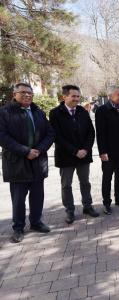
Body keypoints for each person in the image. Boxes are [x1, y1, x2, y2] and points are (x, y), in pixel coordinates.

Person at [0, 83, 54, 243]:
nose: (27, 95)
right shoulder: (4, 113)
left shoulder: (38, 112)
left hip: (38, 161)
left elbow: (50, 133)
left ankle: (36, 222)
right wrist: (26, 151)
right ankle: (18, 228)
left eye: (30, 93)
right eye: (23, 92)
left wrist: (39, 149)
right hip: (17, 163)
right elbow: (3, 137)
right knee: (18, 198)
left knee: (38, 196)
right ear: (14, 94)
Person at [49, 85, 99, 224]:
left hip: (84, 155)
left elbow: (91, 132)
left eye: (78, 96)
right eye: (73, 96)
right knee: (66, 185)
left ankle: (87, 206)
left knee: (85, 183)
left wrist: (85, 149)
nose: (77, 99)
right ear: (64, 97)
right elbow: (56, 136)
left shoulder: (83, 111)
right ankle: (69, 211)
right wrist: (74, 151)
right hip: (66, 156)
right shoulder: (55, 113)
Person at [95, 86, 119, 215]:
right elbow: (100, 133)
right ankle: (106, 203)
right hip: (108, 152)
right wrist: (102, 152)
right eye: (118, 95)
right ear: (110, 96)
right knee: (107, 178)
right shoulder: (102, 110)